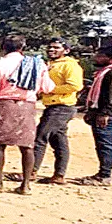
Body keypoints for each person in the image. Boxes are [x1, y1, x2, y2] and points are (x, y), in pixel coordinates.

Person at [0, 35, 54, 194]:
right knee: (27, 146)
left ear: (3, 48)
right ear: (22, 47)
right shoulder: (37, 64)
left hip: (2, 106)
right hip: (27, 107)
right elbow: (48, 88)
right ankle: (25, 185)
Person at [78, 45, 112, 186]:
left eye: (100, 56)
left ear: (111, 58)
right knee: (102, 143)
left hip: (109, 115)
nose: (96, 58)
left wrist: (105, 113)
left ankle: (104, 176)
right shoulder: (107, 71)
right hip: (105, 113)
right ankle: (102, 173)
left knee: (105, 144)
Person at [31, 38, 84, 184]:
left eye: (56, 48)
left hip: (62, 107)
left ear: (66, 51)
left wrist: (50, 90)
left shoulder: (70, 65)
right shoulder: (51, 64)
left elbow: (75, 86)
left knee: (40, 137)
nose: (51, 50)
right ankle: (59, 175)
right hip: (53, 106)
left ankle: (30, 172)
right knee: (59, 141)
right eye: (50, 47)